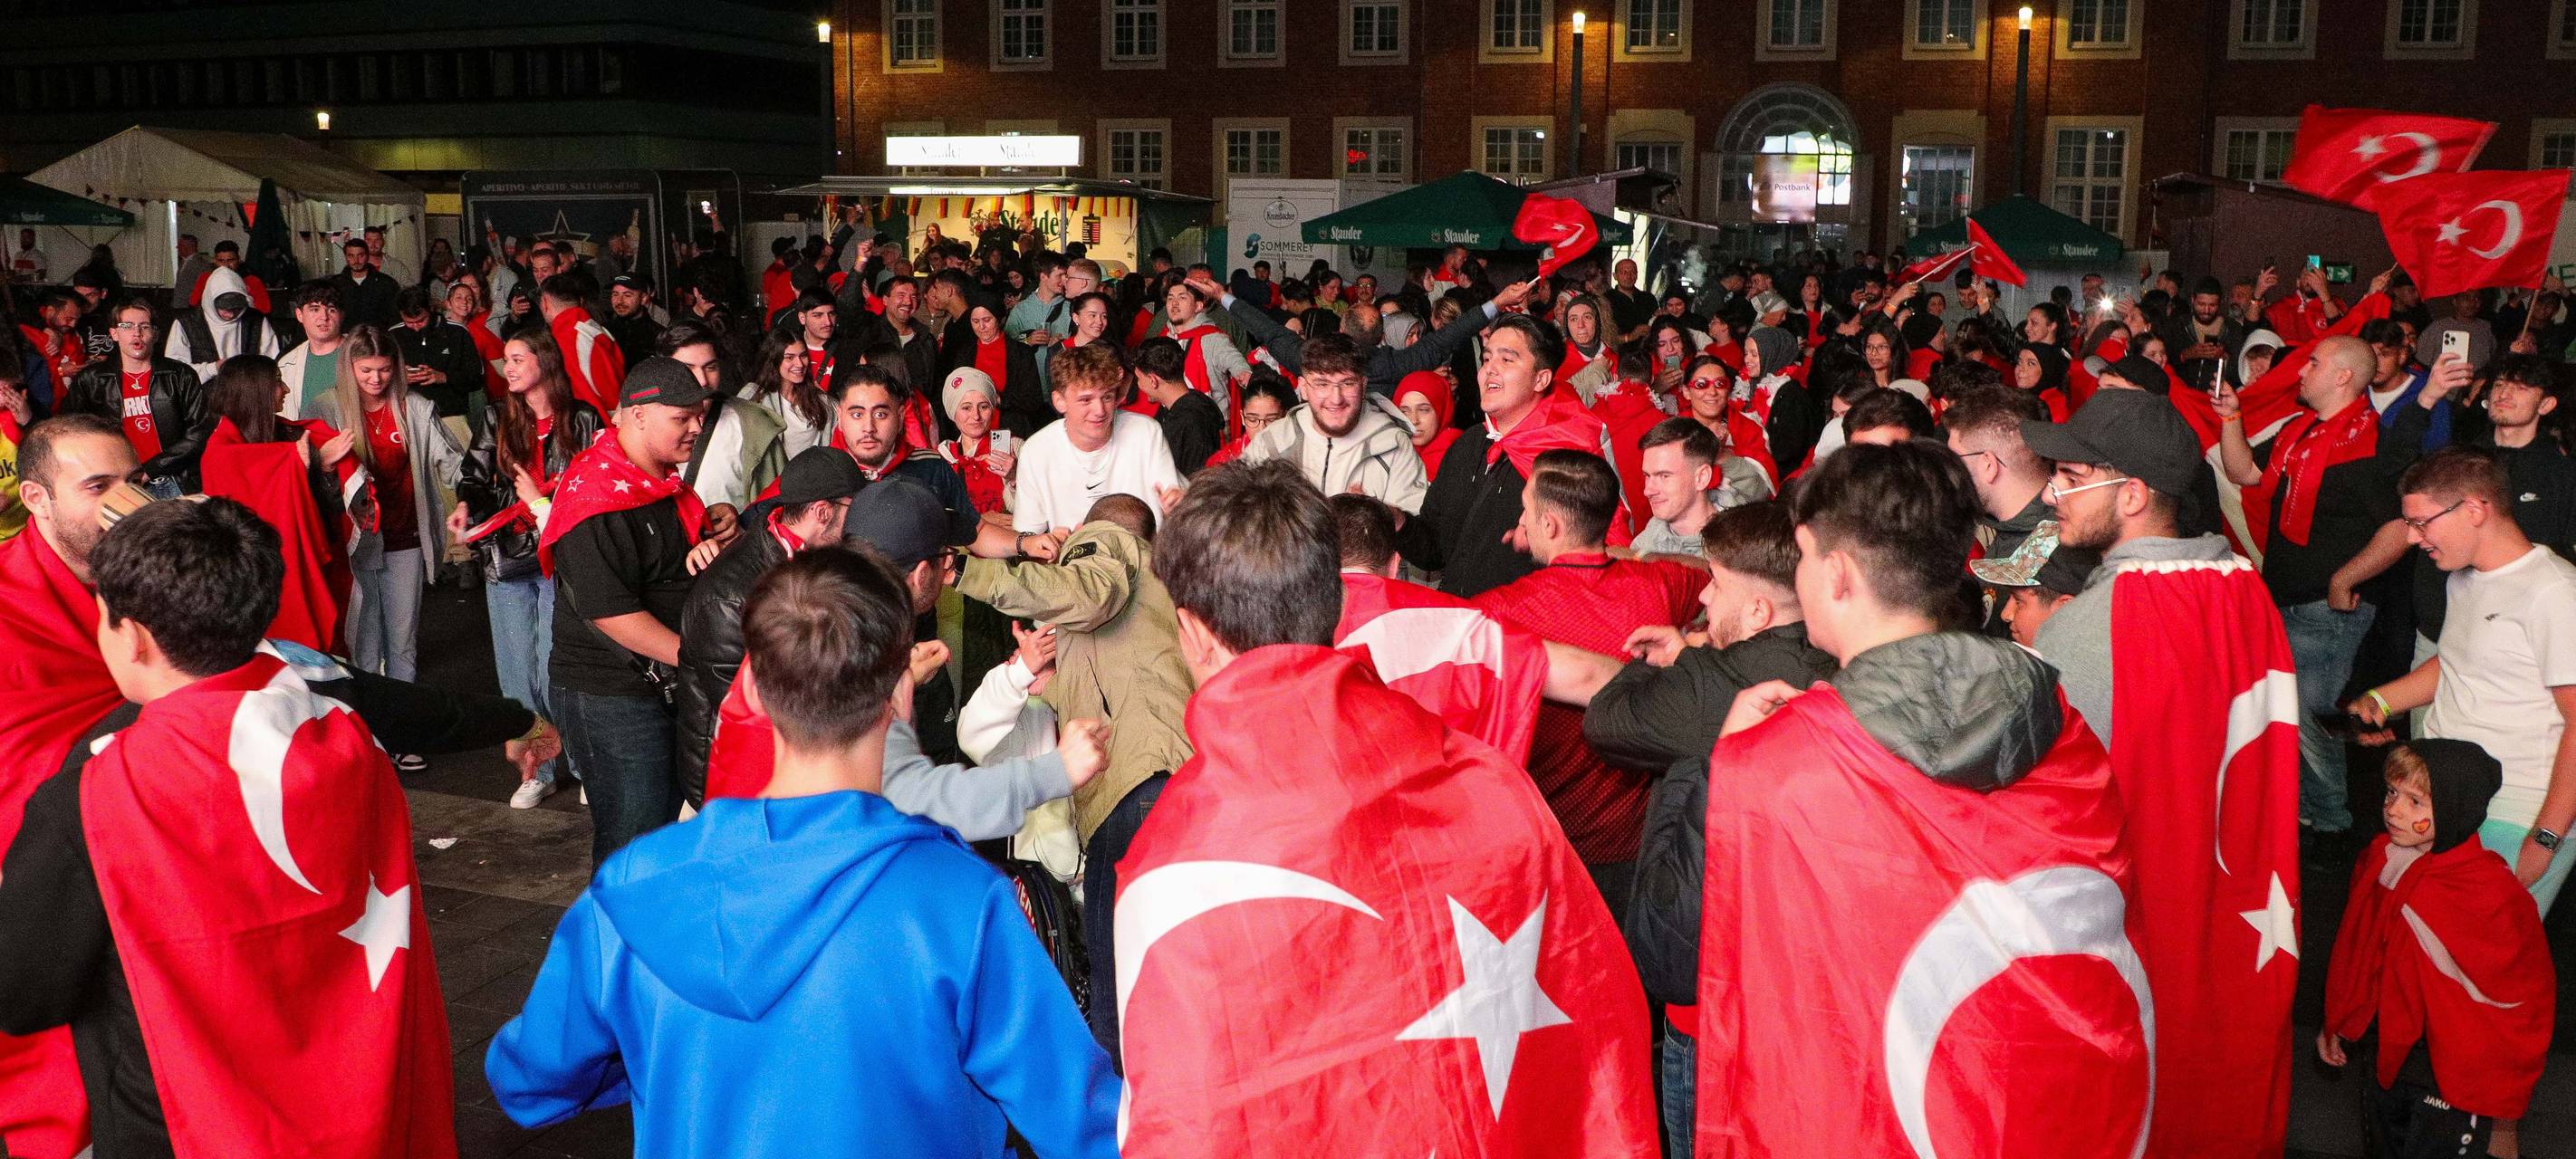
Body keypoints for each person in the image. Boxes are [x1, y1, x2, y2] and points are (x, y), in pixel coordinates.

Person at [487, 547, 1121, 1158]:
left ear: (755, 693)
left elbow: (529, 1083)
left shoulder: (632, 888)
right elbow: (1085, 1125)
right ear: (900, 695)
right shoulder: (960, 903)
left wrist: (656, 1051)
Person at [1115, 459, 1655, 1155]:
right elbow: (1596, 1026)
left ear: (1192, 630)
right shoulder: (1492, 785)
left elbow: (1177, 1124)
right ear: (1333, 599)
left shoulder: (1170, 868)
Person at [1691, 440, 2145, 1155]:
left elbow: (1731, 973)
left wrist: (1733, 765)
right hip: (2037, 1106)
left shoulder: (1776, 766)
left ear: (1836, 573)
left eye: (1804, 557)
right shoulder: (2058, 718)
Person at [0, 499, 460, 1155]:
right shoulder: (346, 738)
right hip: (361, 1101)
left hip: (175, 1124)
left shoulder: (92, 795)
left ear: (133, 637)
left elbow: (23, 996)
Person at [956, 493, 1195, 1058]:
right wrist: (1034, 677)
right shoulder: (1169, 595)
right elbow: (1118, 682)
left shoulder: (1107, 542)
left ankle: (1119, 1108)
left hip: (1133, 787)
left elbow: (1087, 595)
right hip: (1180, 783)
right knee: (1177, 972)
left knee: (1118, 993)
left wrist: (967, 571)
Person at [1469, 449, 1700, 917]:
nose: (1521, 521)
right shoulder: (1663, 584)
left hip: (1554, 847)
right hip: (1645, 846)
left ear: (1550, 524)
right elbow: (1717, 572)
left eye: (1526, 510)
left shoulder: (1496, 612)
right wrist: (1635, 557)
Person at [2350, 448, 2576, 914]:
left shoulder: (2555, 592)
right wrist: (2381, 700)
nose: (2412, 538)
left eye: (2421, 523)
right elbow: (2458, 661)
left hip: (2515, 810)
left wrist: (2546, 838)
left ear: (2474, 509)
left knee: (2476, 953)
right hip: (2448, 797)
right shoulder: (2463, 579)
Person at [2216, 335, 2422, 839]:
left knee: (2310, 715)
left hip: (2328, 611)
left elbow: (2401, 528)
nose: (2300, 371)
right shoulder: (2300, 431)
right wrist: (2231, 418)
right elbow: (2243, 470)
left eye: (2312, 363)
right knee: (2292, 713)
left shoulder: (2371, 444)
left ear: (2343, 377)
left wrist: (2345, 578)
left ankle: (2331, 823)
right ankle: (2308, 812)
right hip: (2286, 599)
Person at [2319, 740, 2554, 1159]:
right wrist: (2339, 1016)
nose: (2393, 810)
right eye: (2391, 792)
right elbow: (2359, 948)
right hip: (2387, 1051)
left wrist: (2499, 1075)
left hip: (2455, 1066)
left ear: (2455, 806)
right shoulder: (2383, 859)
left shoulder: (2491, 892)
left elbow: (2524, 994)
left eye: (2415, 801)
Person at [543, 357, 722, 864]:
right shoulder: (595, 494)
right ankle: (612, 920)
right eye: (682, 418)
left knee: (656, 837)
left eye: (699, 416)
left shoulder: (656, 481)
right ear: (639, 415)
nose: (696, 428)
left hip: (657, 686)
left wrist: (716, 527)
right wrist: (700, 658)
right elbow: (610, 612)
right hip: (609, 695)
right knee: (631, 844)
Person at [451, 328, 604, 809]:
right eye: (507, 360)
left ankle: (581, 762)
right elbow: (474, 475)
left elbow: (598, 483)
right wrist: (464, 504)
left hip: (563, 557)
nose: (509, 368)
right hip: (508, 555)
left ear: (545, 361)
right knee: (517, 673)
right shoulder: (496, 416)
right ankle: (538, 769)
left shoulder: (583, 418)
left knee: (557, 666)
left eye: (518, 358)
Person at [675, 447, 864, 807]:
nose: (859, 523)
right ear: (822, 513)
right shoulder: (731, 598)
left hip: (792, 773)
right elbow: (750, 712)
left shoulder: (813, 555)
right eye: (852, 510)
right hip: (734, 789)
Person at [1392, 314, 1618, 598]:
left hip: (1523, 619)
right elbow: (1435, 551)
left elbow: (1590, 569)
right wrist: (1395, 521)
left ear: (1541, 379)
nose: (1490, 370)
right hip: (1463, 616)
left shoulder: (1568, 460)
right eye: (1487, 358)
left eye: (1507, 360)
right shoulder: (1470, 444)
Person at [315, 325, 463, 704]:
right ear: (349, 368)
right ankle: (368, 721)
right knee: (362, 642)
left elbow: (455, 465)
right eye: (366, 370)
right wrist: (325, 466)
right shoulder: (326, 408)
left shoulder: (415, 407)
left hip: (406, 537)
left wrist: (469, 497)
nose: (376, 379)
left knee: (402, 640)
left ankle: (404, 718)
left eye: (384, 369)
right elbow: (309, 481)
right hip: (354, 543)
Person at [1239, 333, 1427, 512]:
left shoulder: (1393, 444)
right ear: (1303, 388)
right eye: (1322, 384)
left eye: (1347, 383)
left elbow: (1417, 527)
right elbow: (1237, 516)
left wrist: (1377, 515)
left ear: (1363, 385)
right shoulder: (1272, 442)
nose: (1336, 399)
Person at [1014, 343, 1182, 535]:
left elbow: (1176, 506)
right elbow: (1028, 537)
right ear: (1059, 401)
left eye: (1107, 397)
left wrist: (1178, 508)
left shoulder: (1146, 432)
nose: (1100, 410)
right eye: (1086, 400)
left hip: (1145, 551)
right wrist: (1054, 544)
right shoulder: (1036, 451)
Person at [61, 296, 209, 490]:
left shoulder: (180, 375)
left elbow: (200, 432)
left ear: (155, 334)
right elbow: (70, 429)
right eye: (127, 326)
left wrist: (154, 467)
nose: (137, 333)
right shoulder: (92, 379)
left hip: (173, 478)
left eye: (144, 326)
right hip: (119, 480)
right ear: (114, 334)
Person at [664, 324, 785, 522]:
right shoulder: (637, 428)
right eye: (688, 368)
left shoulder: (752, 427)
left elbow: (779, 508)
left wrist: (742, 524)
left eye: (710, 368)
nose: (703, 380)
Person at [1942, 385, 2054, 560]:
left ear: (1989, 466)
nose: (1947, 472)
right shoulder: (2051, 529)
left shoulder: (2031, 561)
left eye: (1954, 459)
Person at [166, 266, 282, 381]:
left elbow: (272, 361)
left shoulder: (256, 320)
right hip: (203, 391)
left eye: (236, 309)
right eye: (225, 309)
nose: (231, 315)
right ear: (211, 302)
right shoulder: (186, 323)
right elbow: (176, 371)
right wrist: (212, 369)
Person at [1129, 339, 1220, 476]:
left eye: (1139, 378)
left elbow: (1196, 479)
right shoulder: (1194, 404)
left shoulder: (1191, 421)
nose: (1139, 385)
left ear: (1153, 380)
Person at [745, 325, 834, 458]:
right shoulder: (755, 397)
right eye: (789, 357)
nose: (799, 364)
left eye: (803, 356)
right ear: (774, 360)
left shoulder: (818, 398)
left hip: (817, 469)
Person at [937, 368, 1014, 516]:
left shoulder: (1014, 448)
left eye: (983, 407)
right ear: (952, 412)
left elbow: (1033, 510)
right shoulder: (942, 457)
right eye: (966, 408)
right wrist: (983, 522)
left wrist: (1014, 478)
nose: (976, 416)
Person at [276, 280, 349, 419]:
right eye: (315, 309)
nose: (324, 317)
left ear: (341, 315)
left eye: (331, 310)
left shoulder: (361, 354)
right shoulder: (287, 364)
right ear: (299, 315)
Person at [329, 236, 399, 330]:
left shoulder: (386, 283)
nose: (356, 261)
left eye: (360, 255)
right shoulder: (335, 285)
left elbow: (396, 316)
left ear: (367, 256)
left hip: (378, 336)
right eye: (351, 256)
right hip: (346, 336)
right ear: (346, 257)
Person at [603, 272, 666, 366]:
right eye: (615, 294)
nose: (619, 301)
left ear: (644, 298)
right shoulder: (603, 332)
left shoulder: (659, 336)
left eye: (627, 295)